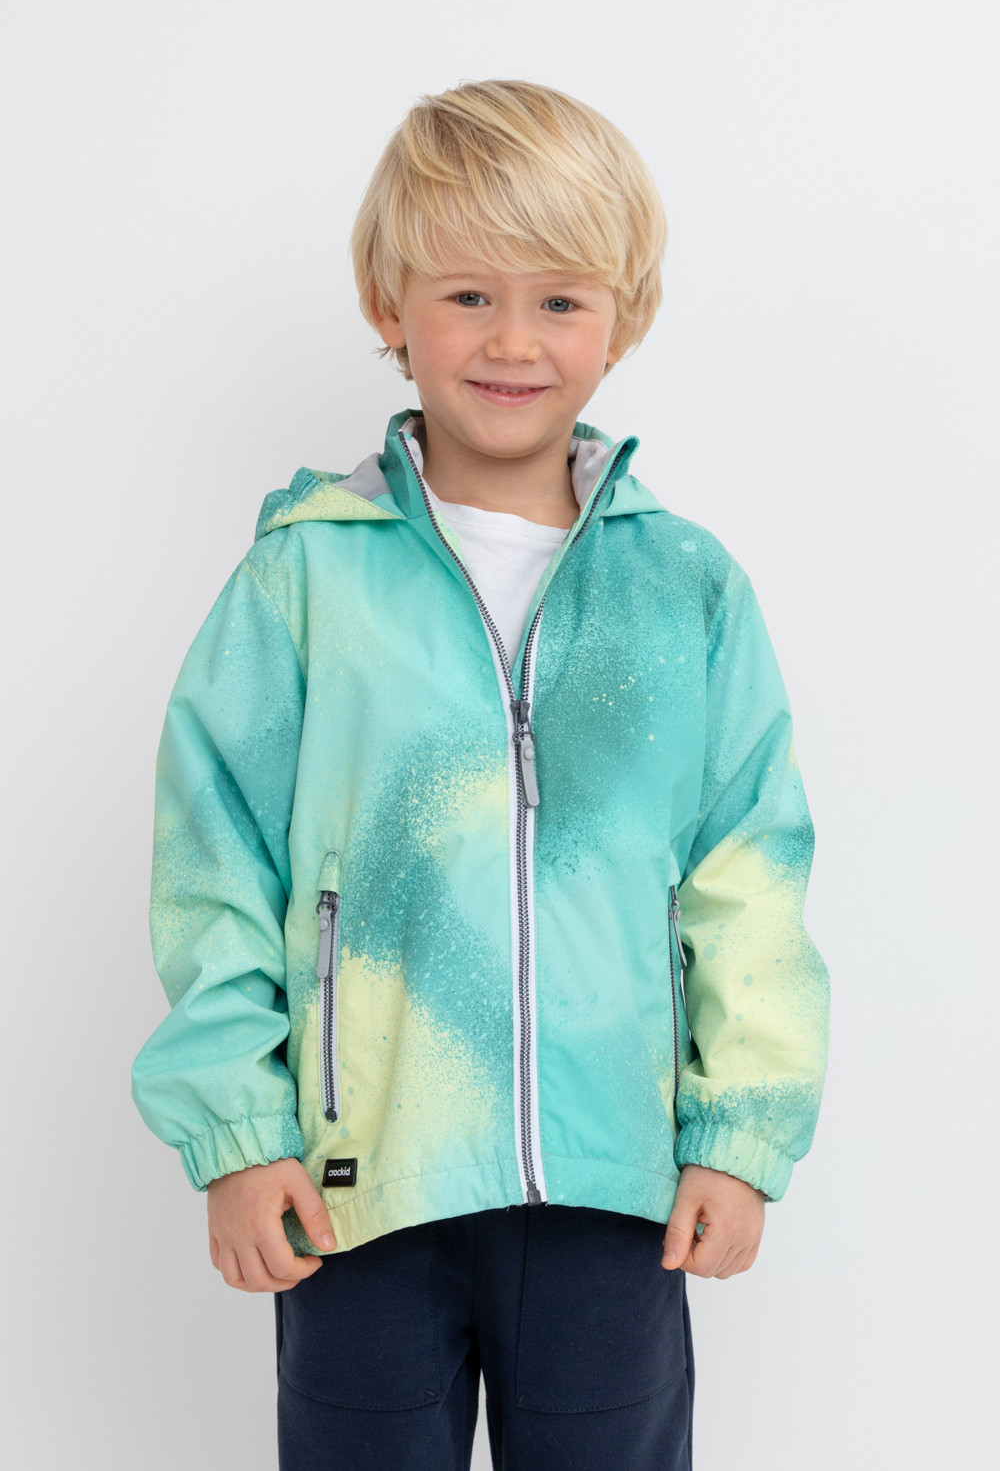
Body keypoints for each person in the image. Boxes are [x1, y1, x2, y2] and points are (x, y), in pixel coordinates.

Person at [131, 78, 830, 1470]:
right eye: (467, 296)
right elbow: (215, 860)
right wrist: (238, 1131)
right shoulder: (305, 579)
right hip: (358, 1186)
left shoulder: (684, 588)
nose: (513, 341)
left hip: (613, 1186)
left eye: (560, 299)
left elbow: (747, 871)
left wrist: (741, 1130)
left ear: (625, 316)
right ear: (387, 303)